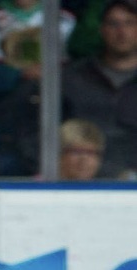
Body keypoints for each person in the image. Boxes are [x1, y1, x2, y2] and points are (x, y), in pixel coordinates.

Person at [63, 0, 137, 178]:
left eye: (130, 23)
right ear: (101, 30)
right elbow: (32, 131)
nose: (122, 32)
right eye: (113, 24)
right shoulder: (71, 78)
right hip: (77, 185)